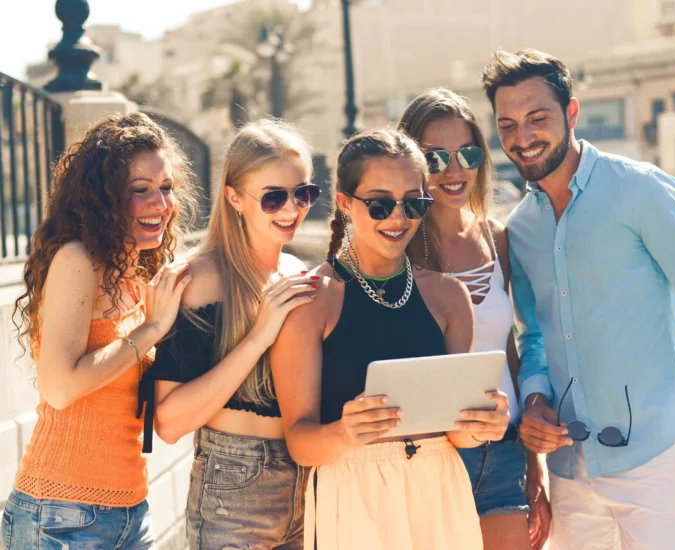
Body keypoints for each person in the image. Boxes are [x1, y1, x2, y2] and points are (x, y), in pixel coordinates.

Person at [482, 48, 675, 550]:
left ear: (572, 113)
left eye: (537, 118)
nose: (523, 138)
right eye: (508, 124)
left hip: (656, 459)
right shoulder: (520, 229)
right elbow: (533, 334)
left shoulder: (642, 191)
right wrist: (536, 401)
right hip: (568, 472)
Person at [269, 128, 510, 550]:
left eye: (413, 203)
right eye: (379, 204)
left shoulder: (448, 296)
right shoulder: (312, 300)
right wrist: (345, 432)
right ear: (344, 204)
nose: (398, 218)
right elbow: (300, 442)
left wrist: (484, 425)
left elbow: (457, 434)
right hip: (354, 490)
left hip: (442, 489)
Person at [1, 113, 196, 549]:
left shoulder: (133, 275)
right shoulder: (77, 260)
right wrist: (152, 329)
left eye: (165, 189)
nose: (161, 205)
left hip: (130, 511)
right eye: (140, 191)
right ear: (103, 198)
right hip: (60, 516)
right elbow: (59, 387)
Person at [138, 119, 321, 550]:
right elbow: (168, 422)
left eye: (304, 193)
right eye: (274, 197)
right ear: (234, 197)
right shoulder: (200, 280)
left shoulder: (298, 273)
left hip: (309, 481)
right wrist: (258, 336)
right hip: (235, 490)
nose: (292, 210)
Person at [399, 87, 550, 550]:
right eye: (435, 158)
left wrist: (534, 468)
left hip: (504, 449)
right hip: (428, 454)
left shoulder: (496, 238)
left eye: (466, 153)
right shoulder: (396, 246)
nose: (453, 170)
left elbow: (509, 351)